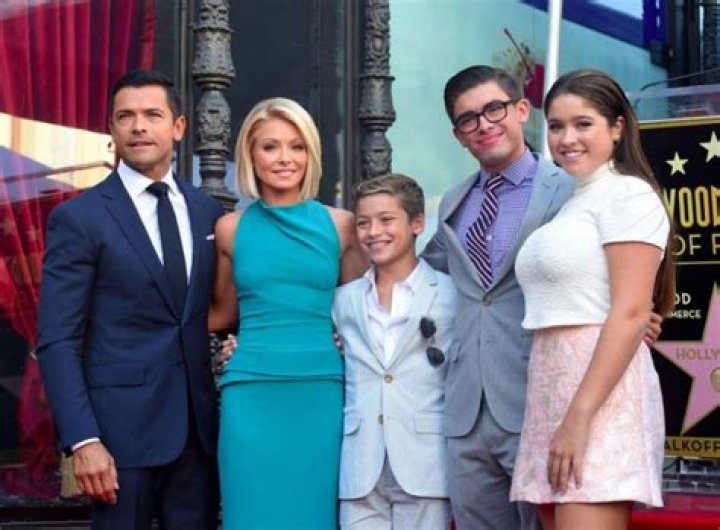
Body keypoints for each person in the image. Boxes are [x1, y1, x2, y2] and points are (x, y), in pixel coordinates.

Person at [37, 69, 224, 529]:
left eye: (152, 115)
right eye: (125, 116)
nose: (138, 126)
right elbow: (58, 340)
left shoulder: (208, 212)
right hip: (117, 443)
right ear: (112, 129)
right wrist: (84, 440)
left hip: (197, 441)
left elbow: (214, 313)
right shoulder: (80, 218)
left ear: (178, 127)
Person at [510, 69, 674, 530]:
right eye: (556, 126)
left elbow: (631, 312)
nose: (567, 139)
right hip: (551, 388)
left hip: (598, 396)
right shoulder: (573, 201)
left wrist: (580, 416)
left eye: (583, 124)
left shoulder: (627, 193)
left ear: (617, 127)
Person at [421, 65, 575, 530]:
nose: (484, 124)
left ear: (521, 109)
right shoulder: (452, 204)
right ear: (458, 135)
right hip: (466, 410)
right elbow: (419, 275)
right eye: (468, 119)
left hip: (539, 398)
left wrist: (645, 313)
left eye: (494, 109)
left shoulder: (568, 190)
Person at [209, 97, 367, 529]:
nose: (284, 158)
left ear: (310, 153)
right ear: (250, 154)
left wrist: (343, 332)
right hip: (251, 392)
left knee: (313, 514)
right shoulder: (231, 228)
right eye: (270, 146)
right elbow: (220, 315)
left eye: (296, 146)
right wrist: (229, 345)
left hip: (321, 391)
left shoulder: (341, 225)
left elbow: (364, 309)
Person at [334, 174, 456, 530]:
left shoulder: (450, 295)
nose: (374, 232)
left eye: (386, 220)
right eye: (363, 223)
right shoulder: (342, 300)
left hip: (426, 464)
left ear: (417, 223)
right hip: (360, 467)